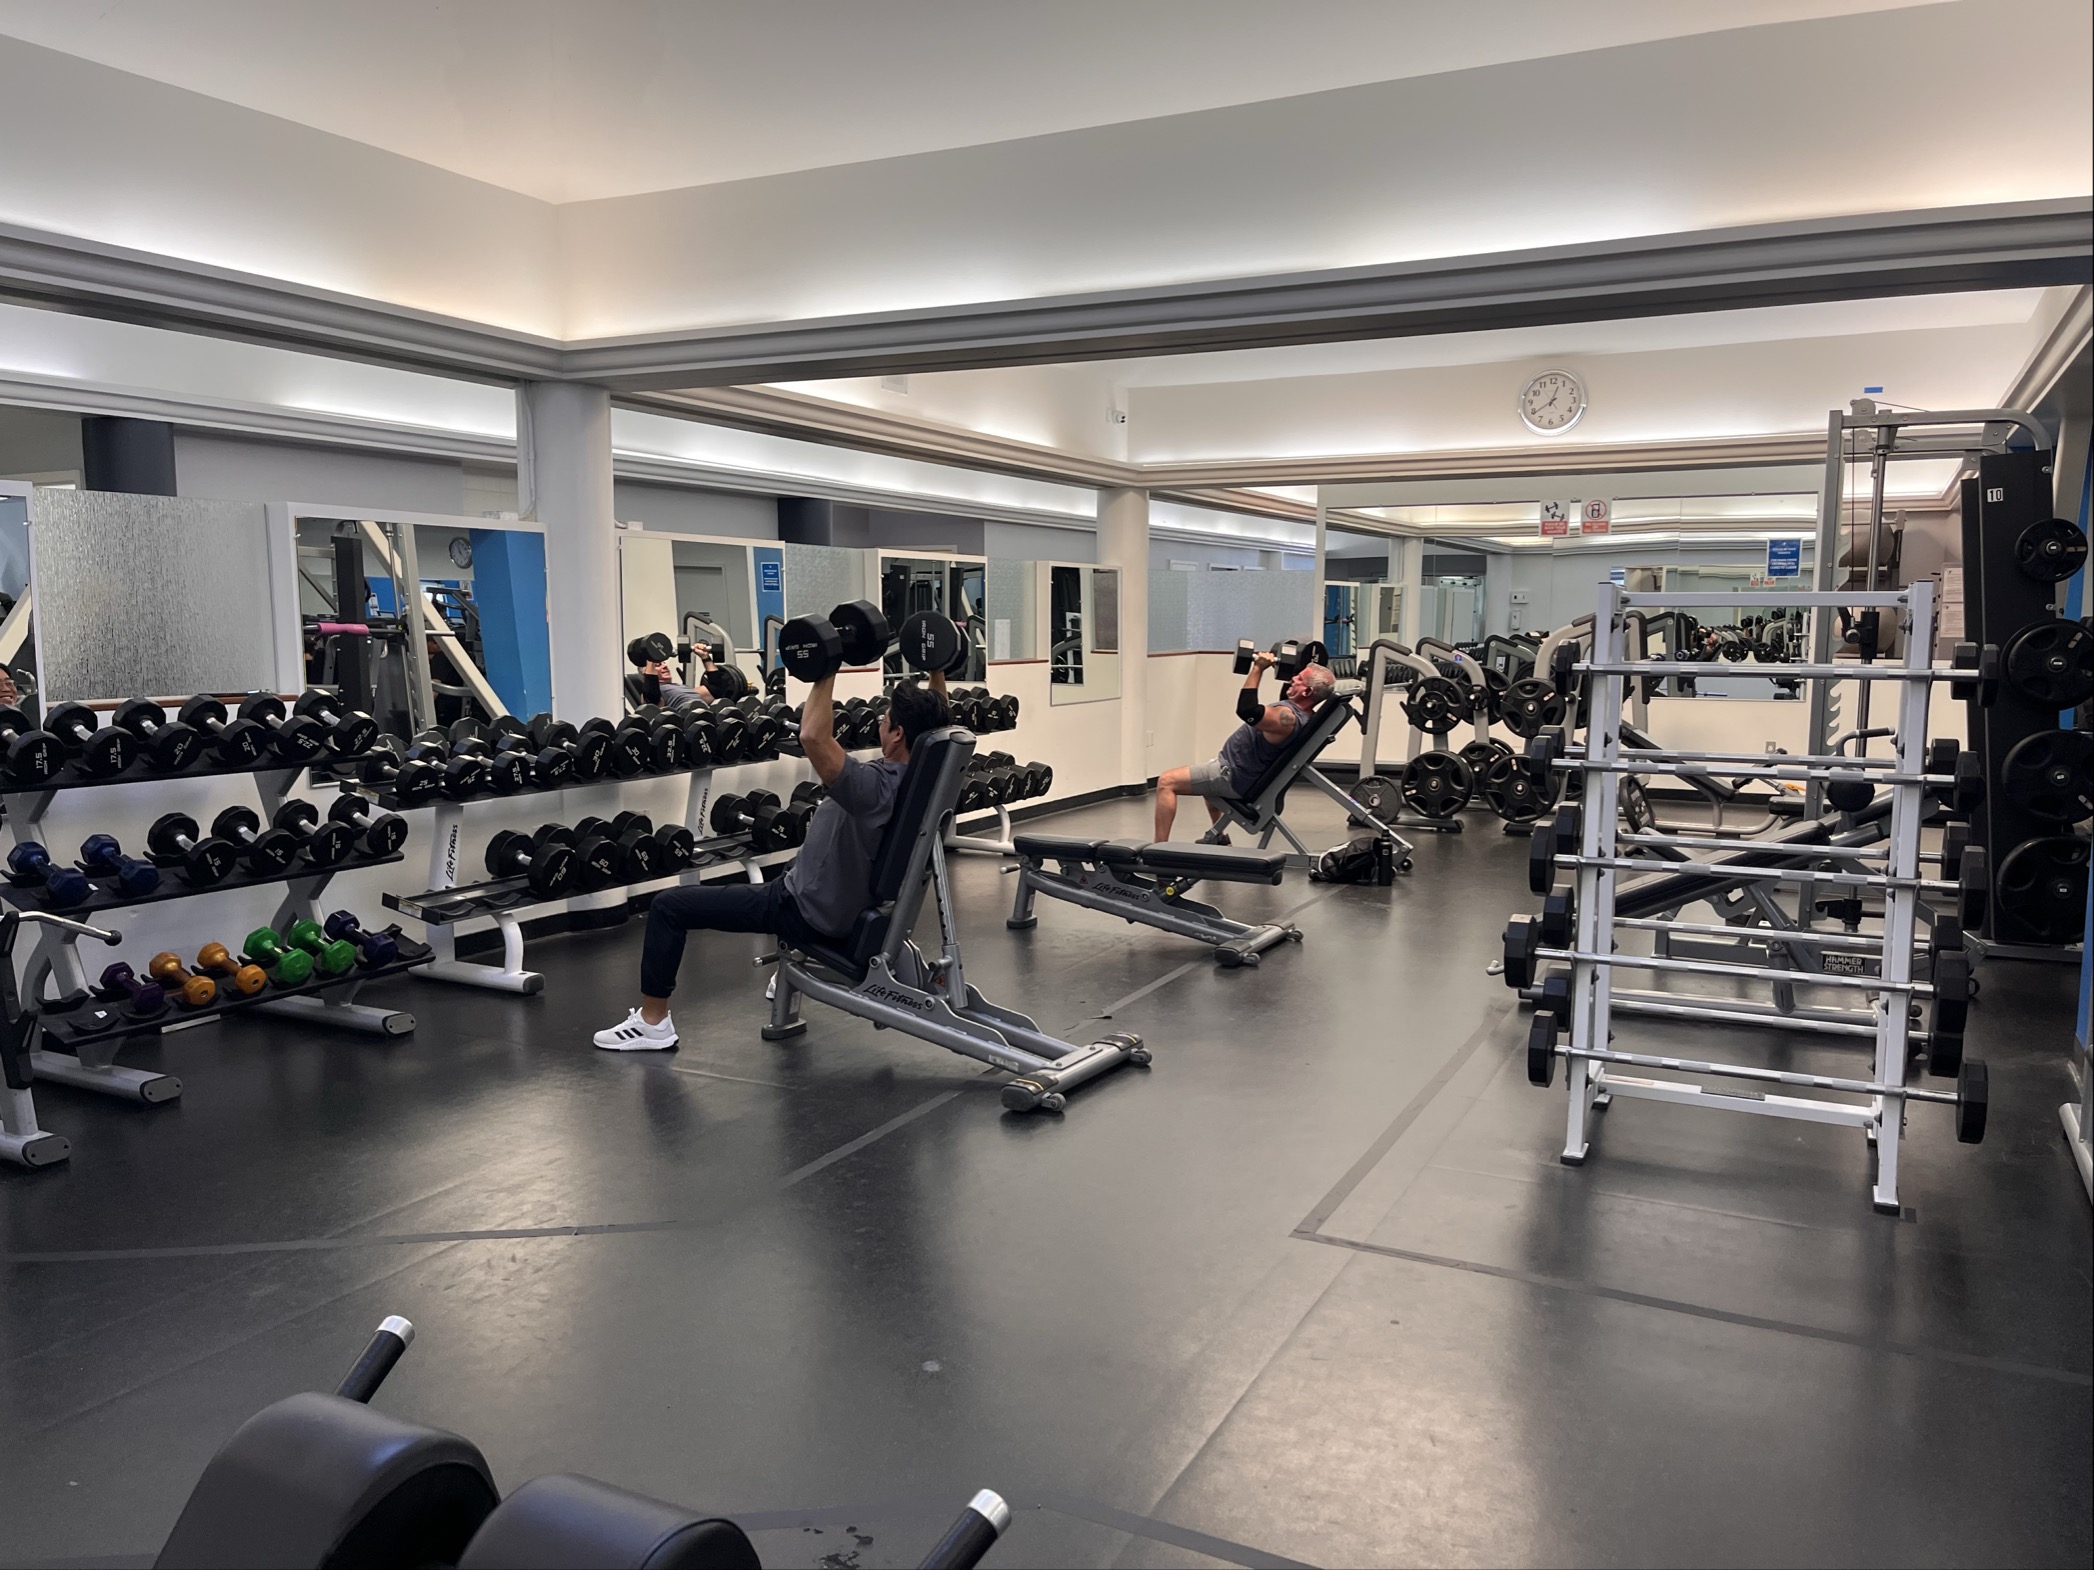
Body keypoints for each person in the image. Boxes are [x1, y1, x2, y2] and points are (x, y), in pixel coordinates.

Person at [592, 672, 953, 1051]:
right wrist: (937, 671)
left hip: (803, 909)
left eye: (884, 718)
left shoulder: (874, 789)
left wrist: (825, 669)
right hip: (843, 902)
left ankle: (653, 1023)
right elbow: (937, 733)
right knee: (784, 870)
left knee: (668, 906)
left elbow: (813, 737)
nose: (880, 721)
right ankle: (787, 980)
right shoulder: (924, 780)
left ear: (897, 734)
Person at [1151, 653, 1334, 842]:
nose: (1292, 679)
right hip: (1239, 773)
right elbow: (1284, 696)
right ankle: (1219, 838)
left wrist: (1258, 668)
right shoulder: (1301, 713)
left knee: (1166, 781)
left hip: (1233, 776)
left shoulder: (1286, 719)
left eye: (1299, 679)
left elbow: (1248, 711)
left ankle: (1158, 849)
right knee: (1207, 786)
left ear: (1307, 692)